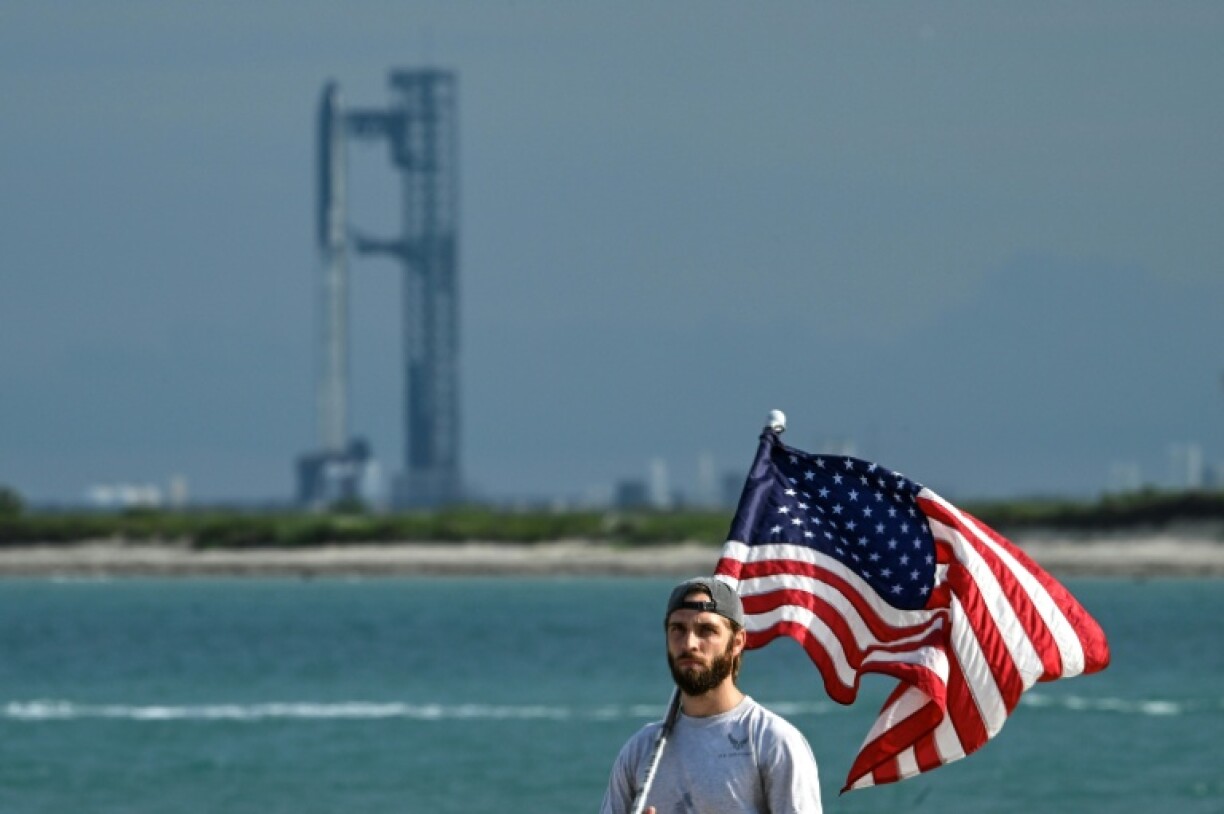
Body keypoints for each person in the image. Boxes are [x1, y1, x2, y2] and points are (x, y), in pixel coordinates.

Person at [600, 577, 823, 814]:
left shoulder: (772, 741)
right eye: (678, 629)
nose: (689, 644)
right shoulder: (640, 750)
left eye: (706, 630)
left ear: (737, 642)